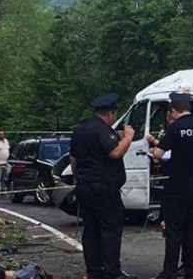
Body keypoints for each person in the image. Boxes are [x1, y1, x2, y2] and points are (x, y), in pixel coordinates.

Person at [70, 93, 137, 279]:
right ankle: (112, 272)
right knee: (111, 229)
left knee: (91, 230)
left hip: (85, 186)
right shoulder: (102, 130)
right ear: (110, 113)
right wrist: (128, 137)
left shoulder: (80, 129)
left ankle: (94, 271)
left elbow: (73, 158)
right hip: (103, 188)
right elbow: (115, 152)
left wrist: (79, 178)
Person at [152, 92, 193, 279]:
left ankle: (170, 272)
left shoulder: (175, 128)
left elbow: (158, 153)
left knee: (174, 230)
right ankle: (192, 269)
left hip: (179, 185)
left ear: (174, 111)